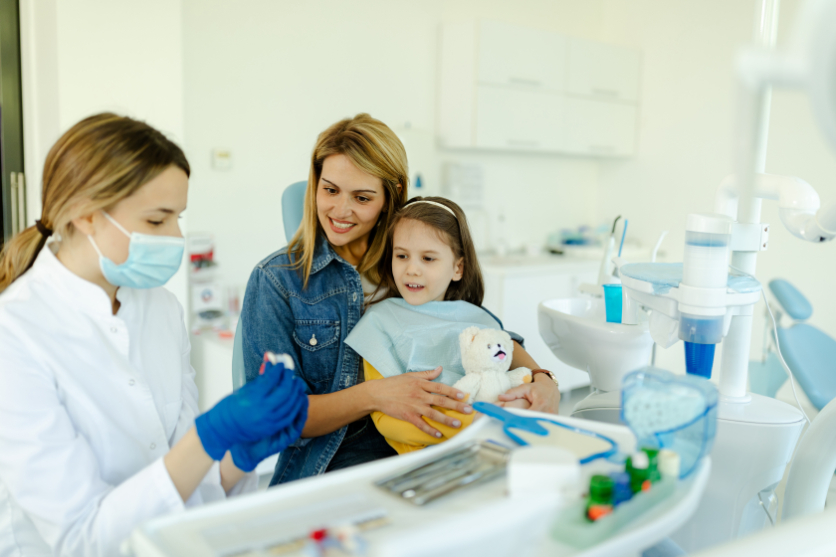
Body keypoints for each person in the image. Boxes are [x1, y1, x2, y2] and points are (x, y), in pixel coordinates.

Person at [0, 113, 308, 557]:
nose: (177, 237)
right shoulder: (16, 334)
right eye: (158, 220)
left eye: (179, 217)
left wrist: (235, 460)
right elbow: (80, 539)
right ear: (86, 213)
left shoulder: (161, 308)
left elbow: (181, 482)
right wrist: (207, 437)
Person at [241, 114, 560, 486]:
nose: (340, 211)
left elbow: (483, 334)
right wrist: (375, 395)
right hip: (335, 460)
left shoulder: (412, 266)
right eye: (329, 190)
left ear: (390, 195)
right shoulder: (277, 281)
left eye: (362, 197)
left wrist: (544, 380)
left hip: (443, 443)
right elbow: (272, 418)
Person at [345, 196, 559, 454]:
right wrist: (472, 423)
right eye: (401, 255)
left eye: (428, 258)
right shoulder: (379, 321)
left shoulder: (478, 319)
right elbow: (384, 418)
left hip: (494, 444)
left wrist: (529, 392)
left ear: (457, 268)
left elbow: (512, 376)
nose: (411, 269)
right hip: (428, 452)